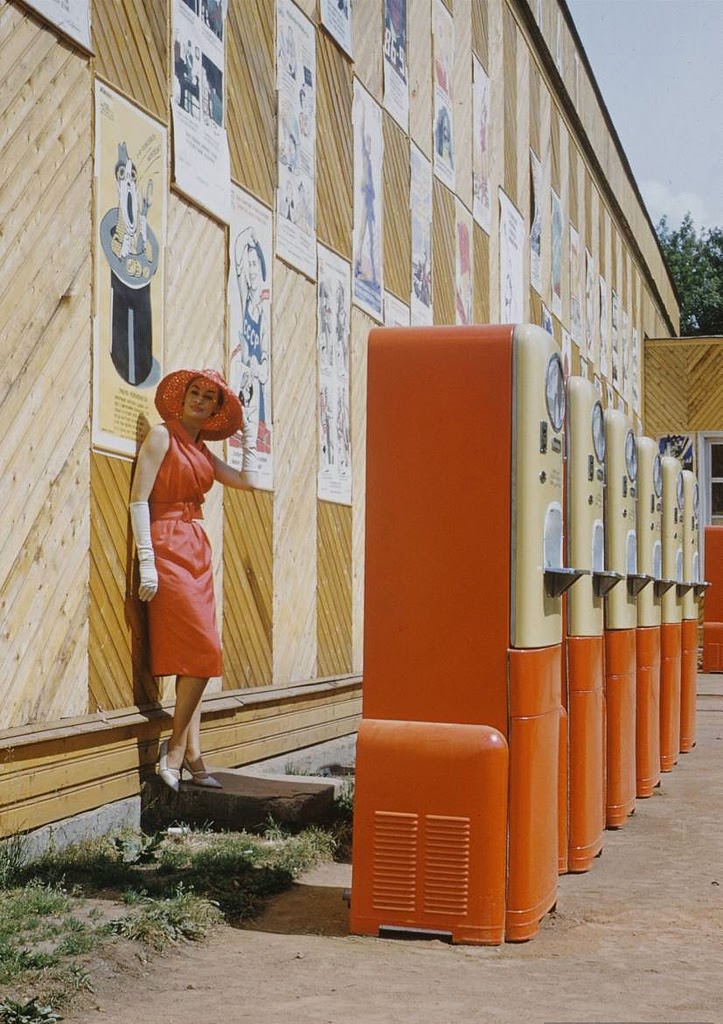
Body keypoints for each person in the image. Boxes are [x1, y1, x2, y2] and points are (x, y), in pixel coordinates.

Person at [129, 368, 253, 792]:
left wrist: (249, 438)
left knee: (196, 658)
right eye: (195, 393)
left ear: (217, 409)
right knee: (204, 650)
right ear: (182, 398)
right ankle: (177, 751)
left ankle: (193, 754)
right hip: (165, 545)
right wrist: (146, 558)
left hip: (196, 548)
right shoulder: (163, 437)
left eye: (209, 397)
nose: (200, 400)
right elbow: (138, 500)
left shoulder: (202, 450)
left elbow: (247, 482)